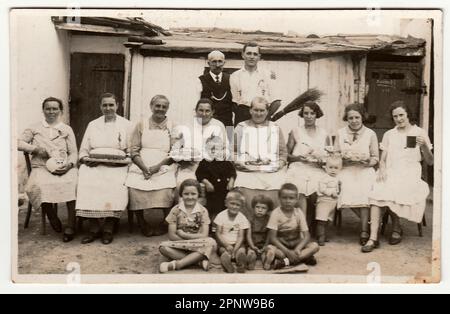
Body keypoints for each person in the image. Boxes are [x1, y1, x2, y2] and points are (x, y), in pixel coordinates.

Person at [362, 101, 433, 252]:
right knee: (378, 190)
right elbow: (383, 159)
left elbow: (430, 161)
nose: (399, 119)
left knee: (394, 187)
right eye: (395, 116)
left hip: (410, 172)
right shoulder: (389, 134)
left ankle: (396, 227)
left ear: (408, 114)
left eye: (401, 115)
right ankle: (373, 237)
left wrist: (424, 146)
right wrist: (381, 168)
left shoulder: (419, 132)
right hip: (391, 170)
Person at [18, 97, 78, 242]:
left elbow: (74, 152)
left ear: (60, 110)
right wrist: (35, 149)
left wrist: (69, 165)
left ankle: (70, 225)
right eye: (48, 109)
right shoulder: (34, 128)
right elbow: (17, 142)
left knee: (74, 183)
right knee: (37, 185)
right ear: (43, 110)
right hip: (41, 167)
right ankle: (51, 215)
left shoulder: (66, 129)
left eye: (55, 108)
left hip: (63, 166)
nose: (51, 112)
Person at [76, 93, 132, 245]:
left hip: (117, 166)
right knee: (85, 177)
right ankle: (93, 227)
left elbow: (131, 152)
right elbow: (83, 149)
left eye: (111, 105)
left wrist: (120, 163)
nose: (108, 108)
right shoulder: (93, 124)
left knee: (116, 183)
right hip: (94, 165)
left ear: (117, 106)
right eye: (105, 105)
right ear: (100, 107)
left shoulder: (126, 125)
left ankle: (109, 226)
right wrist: (86, 159)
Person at [125, 95, 177, 237]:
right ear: (151, 106)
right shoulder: (141, 124)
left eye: (164, 106)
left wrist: (157, 167)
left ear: (167, 108)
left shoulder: (173, 126)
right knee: (134, 187)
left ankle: (165, 223)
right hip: (142, 164)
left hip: (163, 164)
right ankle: (142, 223)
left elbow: (174, 153)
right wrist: (144, 168)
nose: (160, 109)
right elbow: (134, 150)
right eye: (157, 106)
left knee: (167, 188)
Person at [233, 96, 287, 218]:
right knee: (242, 183)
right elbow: (233, 151)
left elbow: (283, 153)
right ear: (250, 110)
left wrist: (279, 164)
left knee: (279, 182)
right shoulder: (240, 127)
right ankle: (247, 223)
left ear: (267, 112)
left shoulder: (275, 128)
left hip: (271, 168)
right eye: (256, 110)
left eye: (262, 110)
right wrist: (239, 163)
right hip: (247, 169)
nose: (259, 113)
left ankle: (271, 224)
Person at [334, 103, 379, 247]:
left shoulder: (370, 134)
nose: (354, 121)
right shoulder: (340, 133)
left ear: (362, 117)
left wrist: (366, 162)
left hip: (364, 169)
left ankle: (365, 230)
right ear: (346, 119)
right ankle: (372, 221)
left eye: (357, 117)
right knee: (346, 187)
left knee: (365, 189)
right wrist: (343, 160)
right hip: (346, 169)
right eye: (350, 118)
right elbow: (335, 155)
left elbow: (375, 158)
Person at [159, 179, 217, 273]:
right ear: (181, 194)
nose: (190, 197)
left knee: (211, 243)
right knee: (163, 247)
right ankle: (198, 262)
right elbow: (172, 235)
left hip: (198, 244)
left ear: (198, 195)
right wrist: (187, 244)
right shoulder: (175, 210)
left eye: (193, 194)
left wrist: (185, 236)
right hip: (180, 244)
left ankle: (177, 264)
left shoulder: (203, 211)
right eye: (186, 194)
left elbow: (204, 235)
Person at [173, 98, 229, 189]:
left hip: (211, 167)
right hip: (190, 167)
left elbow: (226, 149)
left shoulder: (219, 125)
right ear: (195, 111)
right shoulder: (186, 125)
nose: (203, 114)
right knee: (182, 185)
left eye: (207, 111)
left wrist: (217, 155)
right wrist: (183, 156)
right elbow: (176, 150)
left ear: (212, 112)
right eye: (201, 110)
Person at [286, 101, 329, 217]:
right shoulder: (295, 131)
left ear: (317, 115)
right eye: (306, 113)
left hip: (317, 168)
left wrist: (322, 160)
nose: (309, 116)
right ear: (302, 115)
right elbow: (286, 155)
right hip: (298, 167)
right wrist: (298, 158)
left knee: (320, 187)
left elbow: (329, 156)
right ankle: (303, 223)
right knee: (299, 187)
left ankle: (317, 220)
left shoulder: (323, 133)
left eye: (312, 113)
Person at [265, 184, 320, 270]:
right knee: (271, 249)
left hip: (296, 245)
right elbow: (273, 238)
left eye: (291, 198)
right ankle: (304, 258)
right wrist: (287, 251)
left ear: (296, 200)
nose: (288, 201)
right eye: (284, 198)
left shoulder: (298, 213)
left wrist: (298, 248)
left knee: (315, 246)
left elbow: (306, 236)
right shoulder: (276, 213)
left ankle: (285, 262)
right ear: (279, 198)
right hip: (282, 246)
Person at [230, 42, 275, 126]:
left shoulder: (267, 74)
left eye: (255, 54)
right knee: (241, 138)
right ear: (243, 55)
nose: (252, 57)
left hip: (261, 114)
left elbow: (276, 101)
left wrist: (265, 117)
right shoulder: (235, 76)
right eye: (249, 53)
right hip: (242, 115)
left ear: (259, 57)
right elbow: (234, 102)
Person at [195, 135, 236, 224]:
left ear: (222, 149)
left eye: (216, 148)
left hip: (225, 190)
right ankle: (212, 226)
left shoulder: (226, 162)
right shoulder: (205, 162)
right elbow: (199, 174)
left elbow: (232, 172)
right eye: (210, 148)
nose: (213, 151)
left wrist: (231, 181)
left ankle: (224, 224)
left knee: (225, 208)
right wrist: (206, 182)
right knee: (213, 210)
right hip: (212, 192)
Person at [214, 190, 250, 273]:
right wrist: (226, 245)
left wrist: (236, 248)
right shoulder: (221, 216)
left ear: (241, 207)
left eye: (238, 205)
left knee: (241, 251)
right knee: (223, 251)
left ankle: (241, 264)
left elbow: (241, 236)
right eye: (232, 203)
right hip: (224, 243)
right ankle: (228, 265)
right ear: (226, 203)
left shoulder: (242, 218)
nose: (234, 206)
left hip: (237, 244)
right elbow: (218, 233)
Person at [197, 50, 234, 129]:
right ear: (209, 63)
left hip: (228, 122)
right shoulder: (200, 80)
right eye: (214, 61)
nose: (217, 65)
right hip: (209, 121)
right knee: (209, 141)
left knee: (230, 141)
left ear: (224, 63)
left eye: (220, 61)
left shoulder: (231, 79)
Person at [315, 155, 343, 246]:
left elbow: (338, 189)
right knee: (321, 220)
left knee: (329, 221)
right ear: (325, 168)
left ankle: (324, 234)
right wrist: (331, 192)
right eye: (330, 167)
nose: (333, 170)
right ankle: (320, 236)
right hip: (324, 201)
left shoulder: (338, 178)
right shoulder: (324, 178)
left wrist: (339, 189)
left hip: (332, 203)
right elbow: (322, 189)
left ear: (340, 169)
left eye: (336, 168)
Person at [246, 194, 274, 270]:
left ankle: (267, 261)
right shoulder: (250, 219)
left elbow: (269, 234)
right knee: (251, 252)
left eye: (263, 208)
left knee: (269, 250)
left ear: (268, 210)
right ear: (253, 207)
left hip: (264, 243)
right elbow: (248, 235)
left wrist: (265, 245)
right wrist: (252, 246)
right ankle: (251, 261)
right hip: (253, 243)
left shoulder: (269, 219)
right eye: (257, 207)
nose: (260, 210)